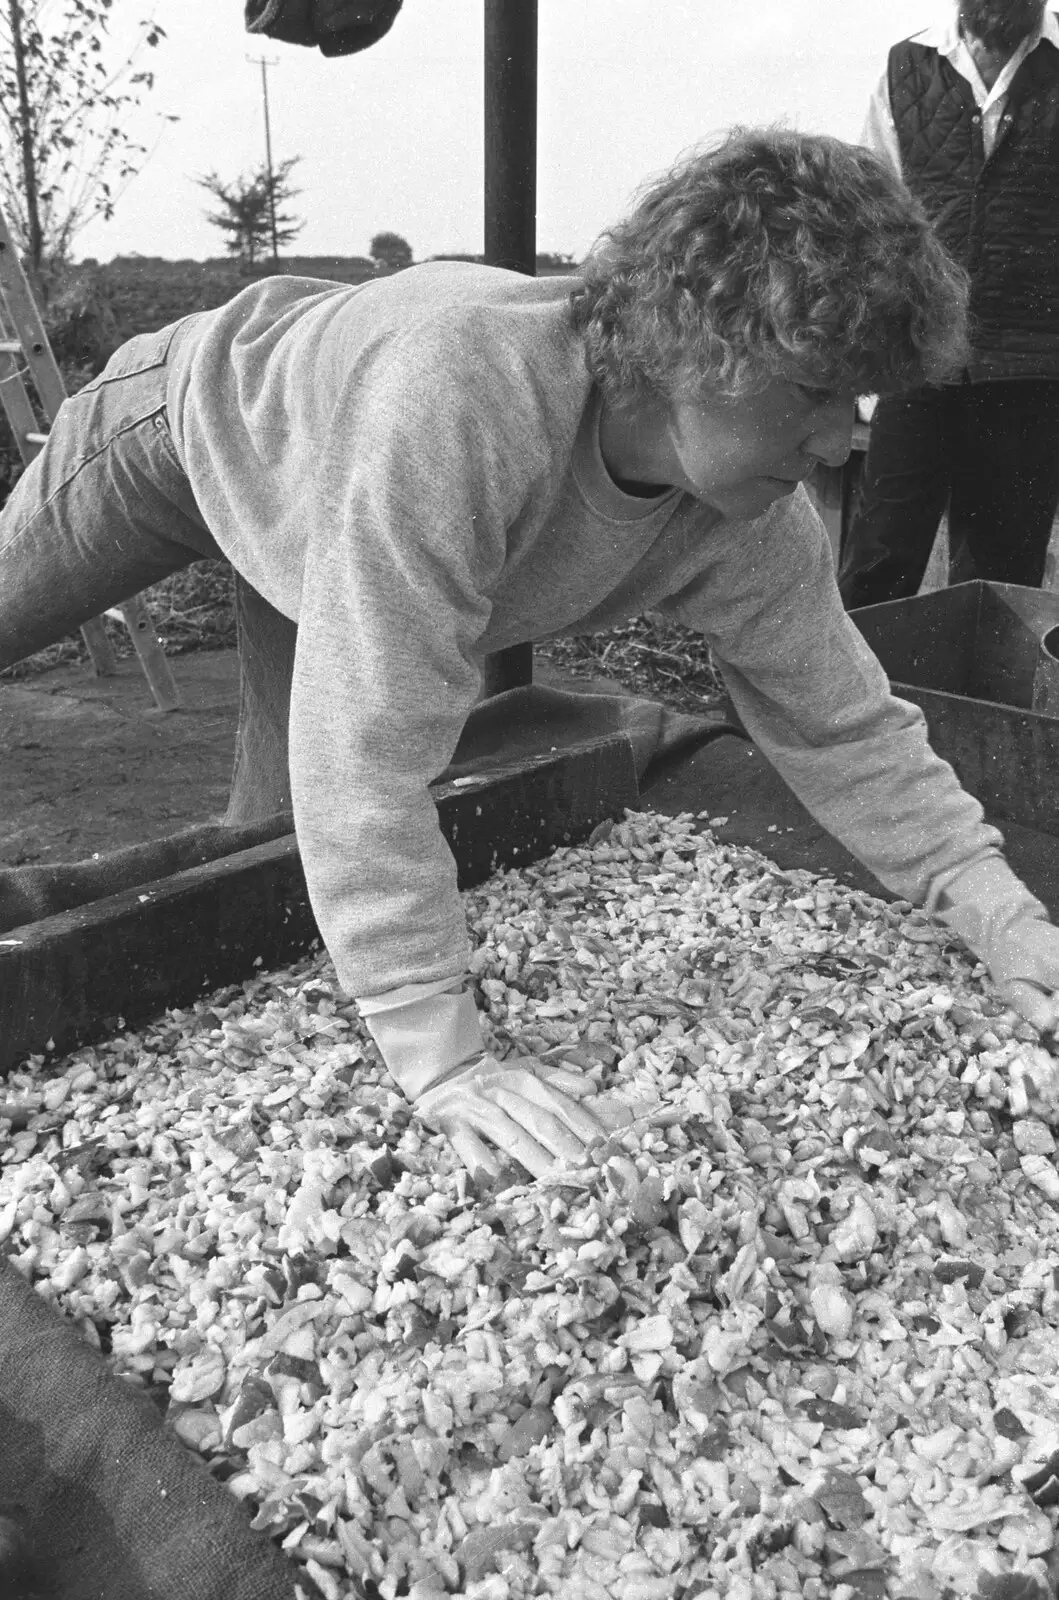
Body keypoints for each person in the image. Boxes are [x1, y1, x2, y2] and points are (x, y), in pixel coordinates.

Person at [4, 128, 1059, 1182]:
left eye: (860, 400)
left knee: (277, 834)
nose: (841, 441)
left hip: (337, 508)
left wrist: (998, 913)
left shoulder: (751, 526)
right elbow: (372, 747)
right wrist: (446, 1060)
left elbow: (845, 722)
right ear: (694, 343)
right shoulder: (464, 406)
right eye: (814, 392)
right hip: (186, 424)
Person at [838, 0, 1059, 609]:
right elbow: (871, 221)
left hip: (1031, 371)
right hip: (920, 362)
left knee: (1000, 588)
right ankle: (853, 705)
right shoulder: (904, 65)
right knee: (879, 560)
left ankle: (974, 709)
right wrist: (865, 365)